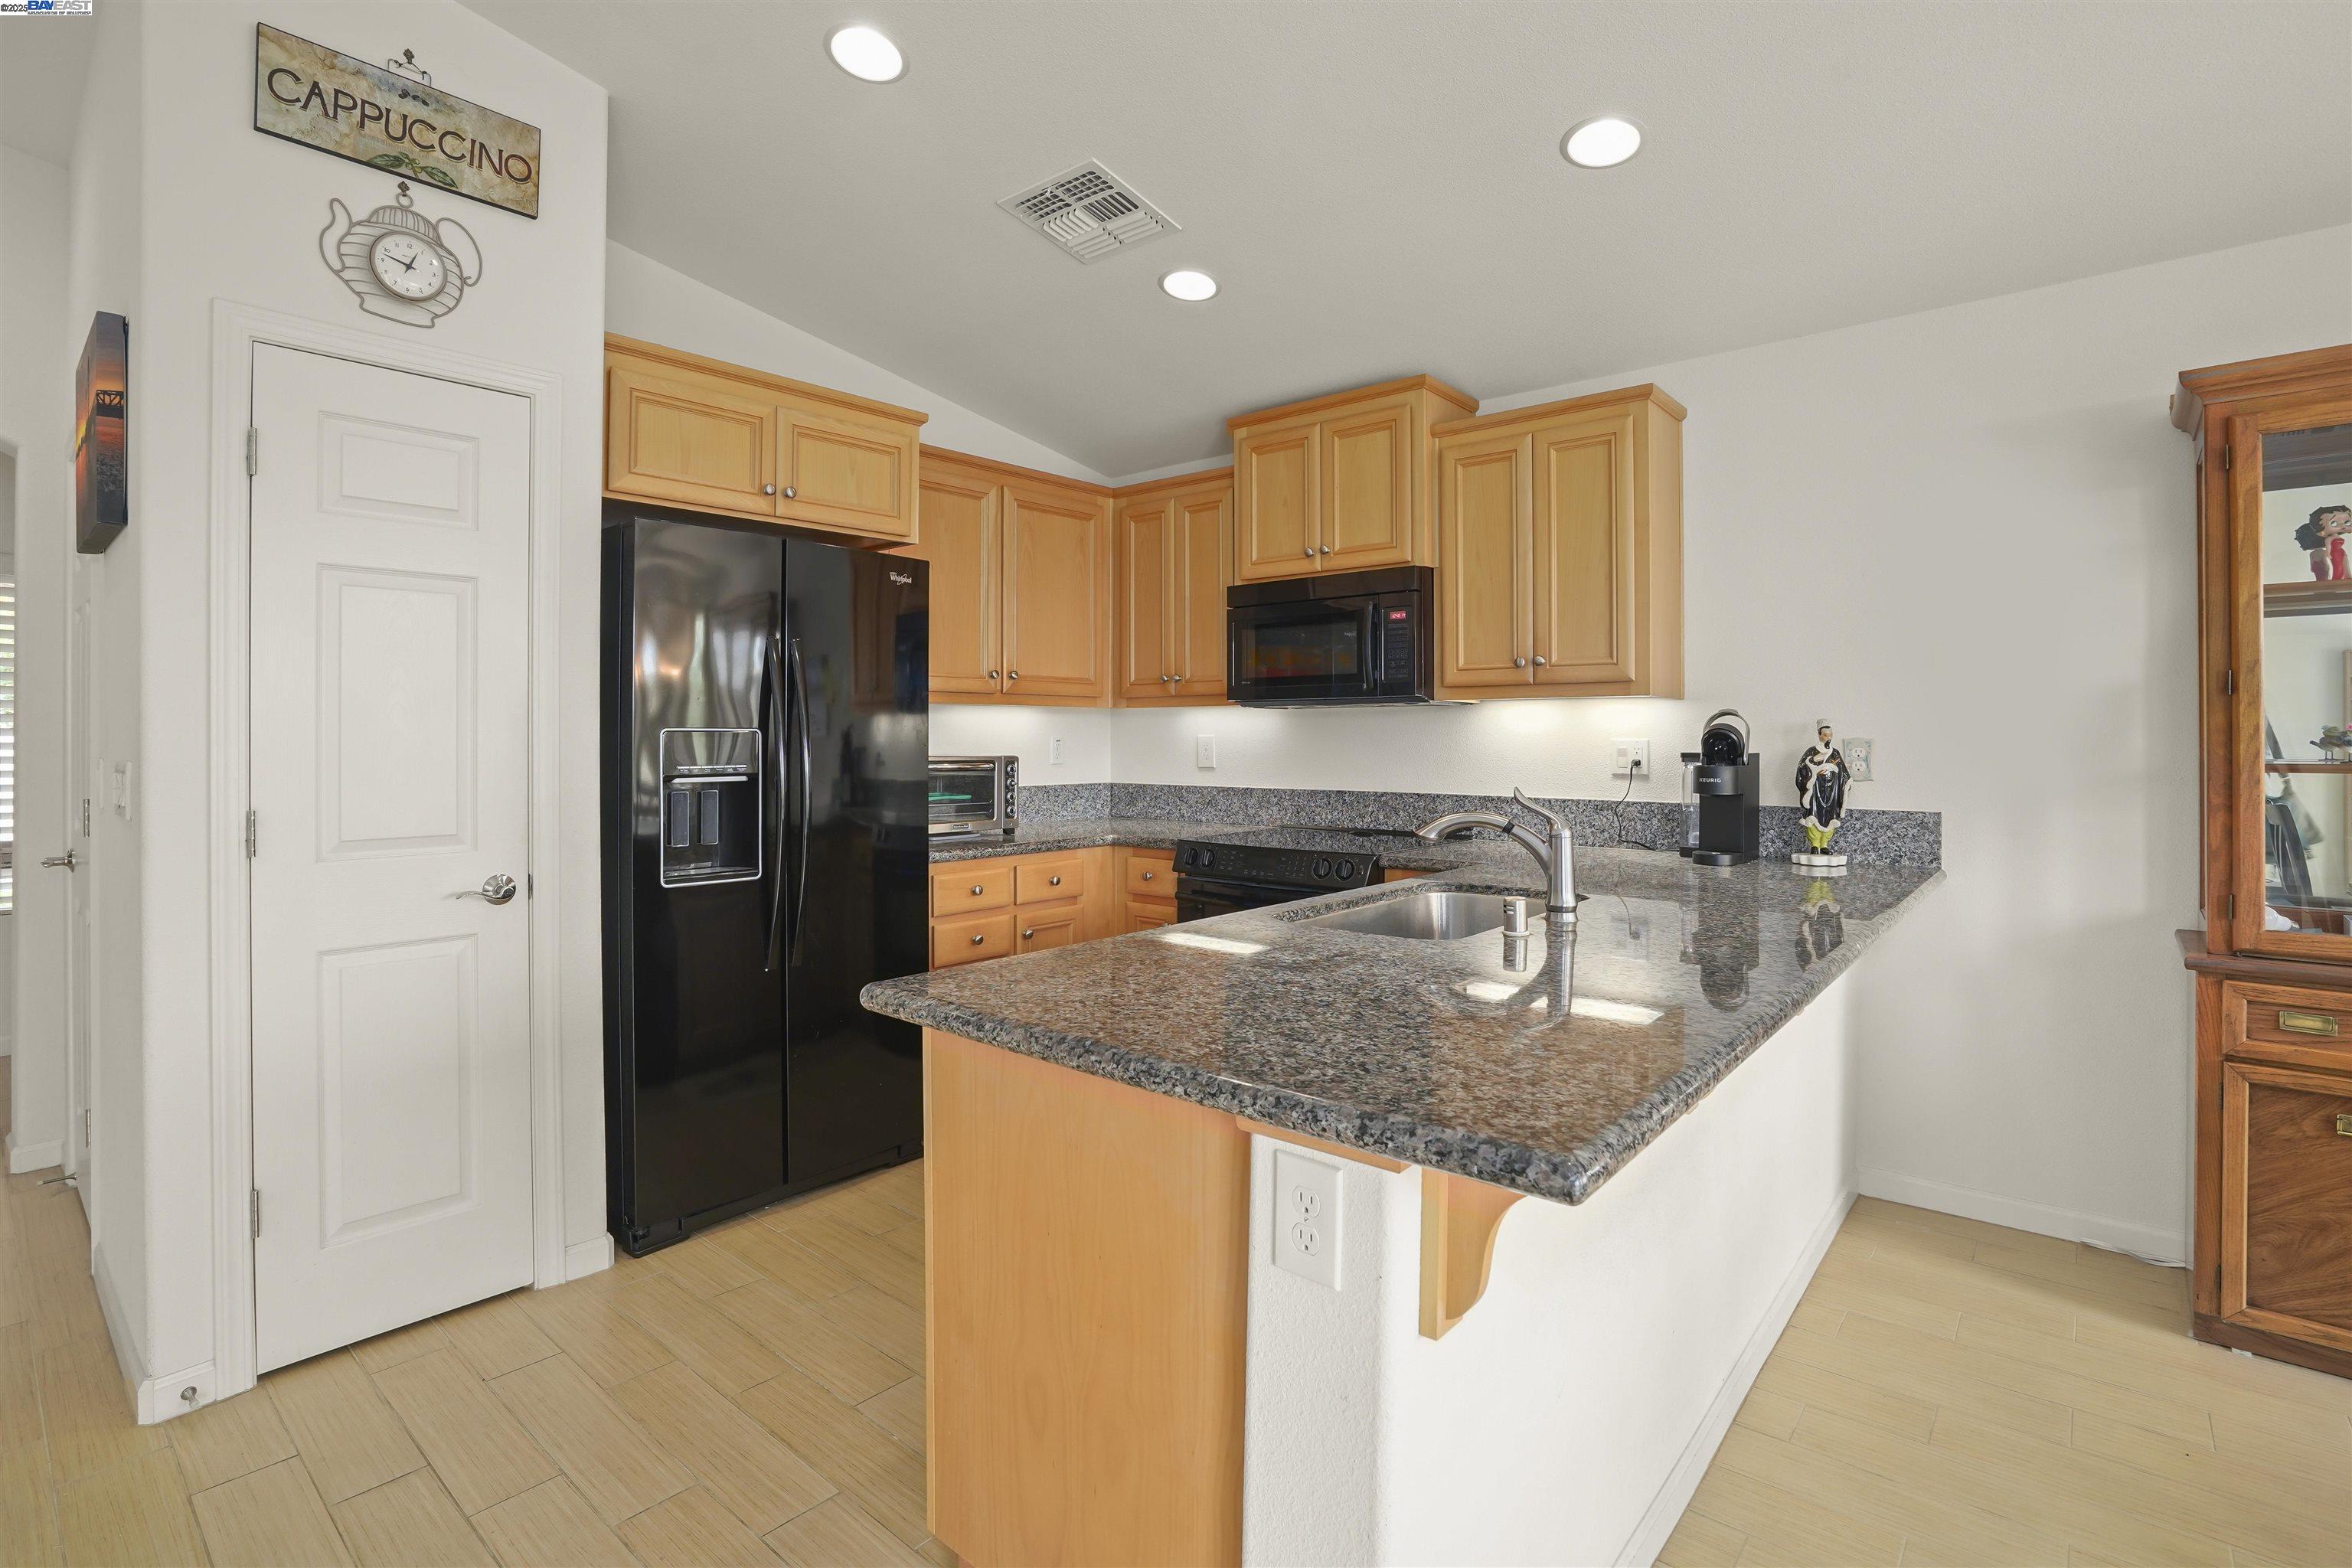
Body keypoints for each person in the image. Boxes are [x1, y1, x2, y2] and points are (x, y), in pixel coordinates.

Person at [1794, 723, 1847, 856]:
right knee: (1813, 814)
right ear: (1819, 735)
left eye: (1830, 735)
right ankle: (1815, 845)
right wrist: (1813, 761)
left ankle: (1824, 845)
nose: (1828, 738)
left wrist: (1847, 783)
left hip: (1832, 791)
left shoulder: (1835, 753)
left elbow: (1843, 772)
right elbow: (1801, 768)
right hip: (1816, 790)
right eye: (1825, 735)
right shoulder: (1811, 751)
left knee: (1830, 816)